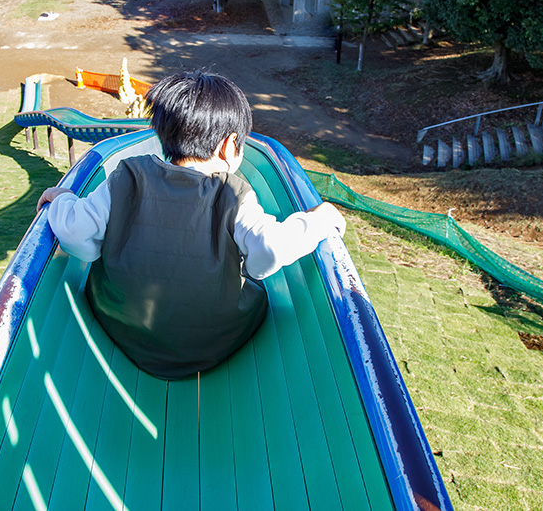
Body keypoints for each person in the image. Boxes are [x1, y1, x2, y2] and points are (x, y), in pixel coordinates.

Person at [38, 71, 346, 379]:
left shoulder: (127, 176)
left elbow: (75, 233)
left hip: (124, 325)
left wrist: (63, 198)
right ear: (229, 146)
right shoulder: (233, 193)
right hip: (211, 341)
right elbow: (269, 248)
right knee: (256, 291)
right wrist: (321, 219)